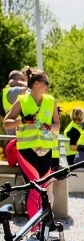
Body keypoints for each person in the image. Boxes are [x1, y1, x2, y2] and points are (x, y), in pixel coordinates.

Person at [3, 67, 59, 216]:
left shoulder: (51, 101)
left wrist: (49, 128)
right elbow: (6, 123)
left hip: (47, 149)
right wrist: (22, 121)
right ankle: (35, 229)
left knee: (44, 189)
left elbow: (57, 125)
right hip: (26, 149)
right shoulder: (22, 101)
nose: (48, 85)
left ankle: (43, 225)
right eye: (46, 82)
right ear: (36, 84)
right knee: (36, 187)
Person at [2, 70, 26, 135]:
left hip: (13, 130)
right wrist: (18, 82)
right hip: (17, 131)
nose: (24, 80)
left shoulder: (7, 90)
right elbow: (33, 88)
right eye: (22, 79)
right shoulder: (14, 91)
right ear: (15, 80)